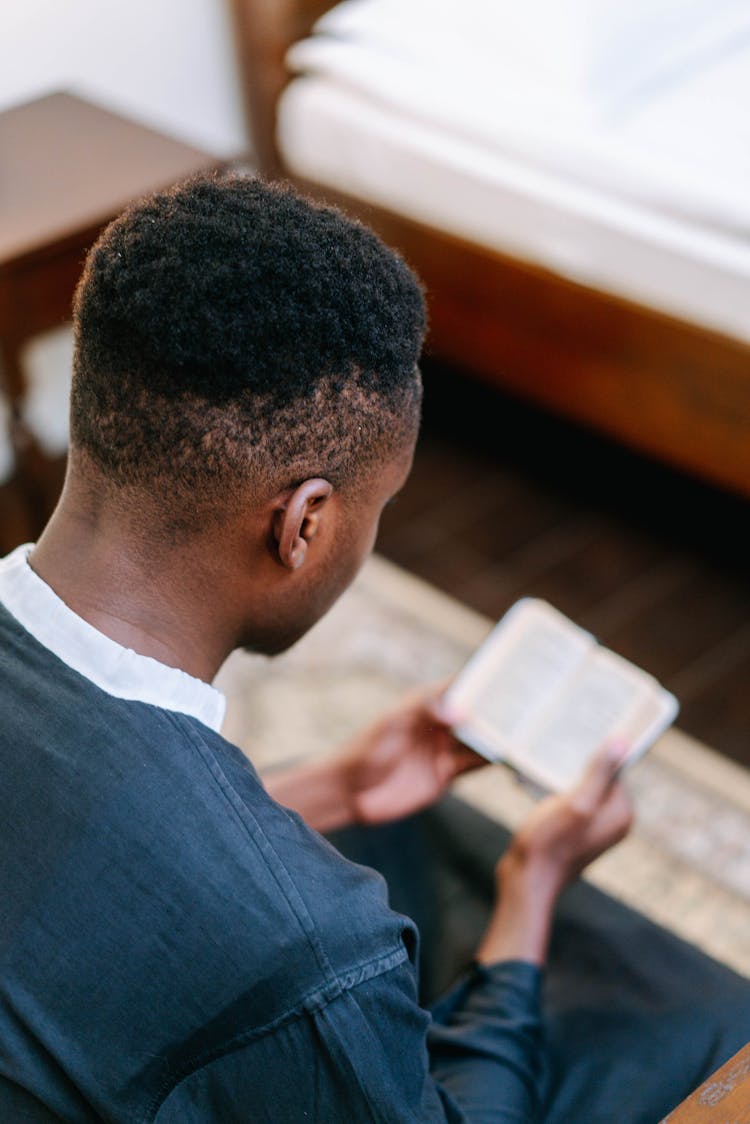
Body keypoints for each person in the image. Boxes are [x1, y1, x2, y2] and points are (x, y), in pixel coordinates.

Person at [0, 173, 746, 1123]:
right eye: (378, 509)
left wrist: (339, 790)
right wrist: (530, 898)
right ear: (304, 525)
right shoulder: (308, 949)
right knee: (715, 1024)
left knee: (396, 825)